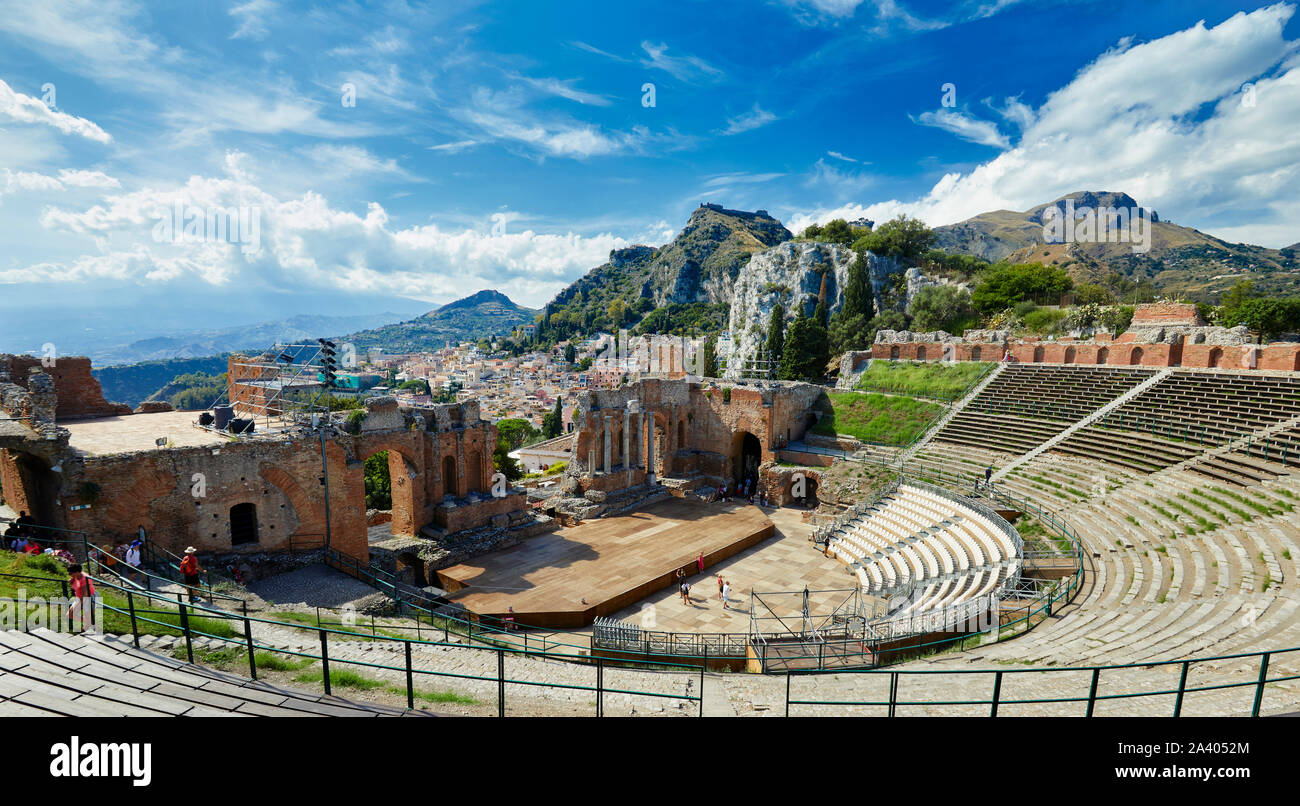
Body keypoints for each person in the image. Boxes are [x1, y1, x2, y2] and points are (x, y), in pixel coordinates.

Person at [66, 563, 96, 633]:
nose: (69, 574)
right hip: (79, 597)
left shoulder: (85, 579)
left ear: (77, 572)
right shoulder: (77, 575)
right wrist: (72, 579)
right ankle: (90, 622)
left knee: (84, 625)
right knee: (69, 615)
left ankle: (89, 624)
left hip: (88, 597)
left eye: (70, 573)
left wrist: (79, 603)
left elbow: (84, 595)